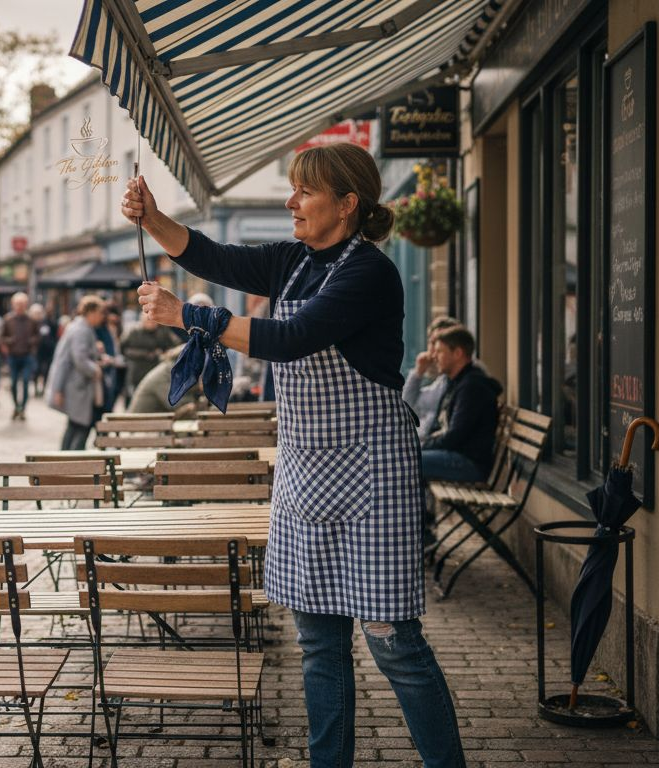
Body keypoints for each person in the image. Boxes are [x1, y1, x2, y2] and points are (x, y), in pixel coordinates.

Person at [123, 141, 465, 768]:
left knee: (394, 643)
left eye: (305, 191)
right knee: (317, 643)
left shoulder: (369, 272)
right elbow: (211, 255)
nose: (291, 202)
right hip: (308, 472)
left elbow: (291, 338)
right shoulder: (294, 260)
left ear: (347, 203)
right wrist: (152, 220)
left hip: (372, 474)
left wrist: (191, 317)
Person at [420, 326, 502, 483]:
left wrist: (423, 447)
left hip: (469, 463)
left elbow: (454, 436)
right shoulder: (456, 383)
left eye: (440, 351)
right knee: (403, 457)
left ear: (457, 353)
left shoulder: (472, 386)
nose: (434, 357)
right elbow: (439, 427)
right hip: (455, 456)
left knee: (404, 461)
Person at [46, 295, 106, 451]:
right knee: (80, 426)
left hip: (75, 385)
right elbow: (79, 359)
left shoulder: (78, 327)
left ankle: (64, 461)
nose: (101, 317)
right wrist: (96, 369)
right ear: (91, 312)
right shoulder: (81, 329)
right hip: (78, 386)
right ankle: (73, 463)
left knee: (74, 425)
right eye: (100, 313)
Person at [403, 316, 461, 441]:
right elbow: (409, 405)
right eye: (432, 342)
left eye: (440, 343)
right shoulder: (443, 379)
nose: (434, 350)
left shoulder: (460, 375)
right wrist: (418, 372)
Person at [120, 314, 179, 408]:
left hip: (155, 370)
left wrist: (164, 354)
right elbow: (124, 350)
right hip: (137, 371)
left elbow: (174, 346)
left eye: (153, 321)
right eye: (148, 320)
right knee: (133, 398)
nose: (151, 323)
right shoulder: (133, 331)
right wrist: (146, 354)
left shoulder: (162, 331)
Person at [0, 292, 39, 421]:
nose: (20, 306)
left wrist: (32, 342)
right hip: (13, 355)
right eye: (17, 304)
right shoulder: (8, 319)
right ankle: (16, 406)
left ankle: (23, 408)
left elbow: (38, 337)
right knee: (14, 383)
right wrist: (9, 342)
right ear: (13, 305)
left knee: (26, 382)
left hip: (27, 355)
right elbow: (1, 338)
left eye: (22, 304)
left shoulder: (31, 320)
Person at [94, 306, 125, 417]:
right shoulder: (100, 329)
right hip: (106, 366)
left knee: (113, 396)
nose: (113, 317)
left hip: (118, 366)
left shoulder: (119, 329)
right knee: (105, 398)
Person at [31, 303, 56, 396]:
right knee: (36, 370)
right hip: (36, 351)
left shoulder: (48, 322)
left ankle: (44, 388)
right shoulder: (31, 323)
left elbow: (53, 335)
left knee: (46, 370)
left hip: (47, 351)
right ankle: (36, 388)